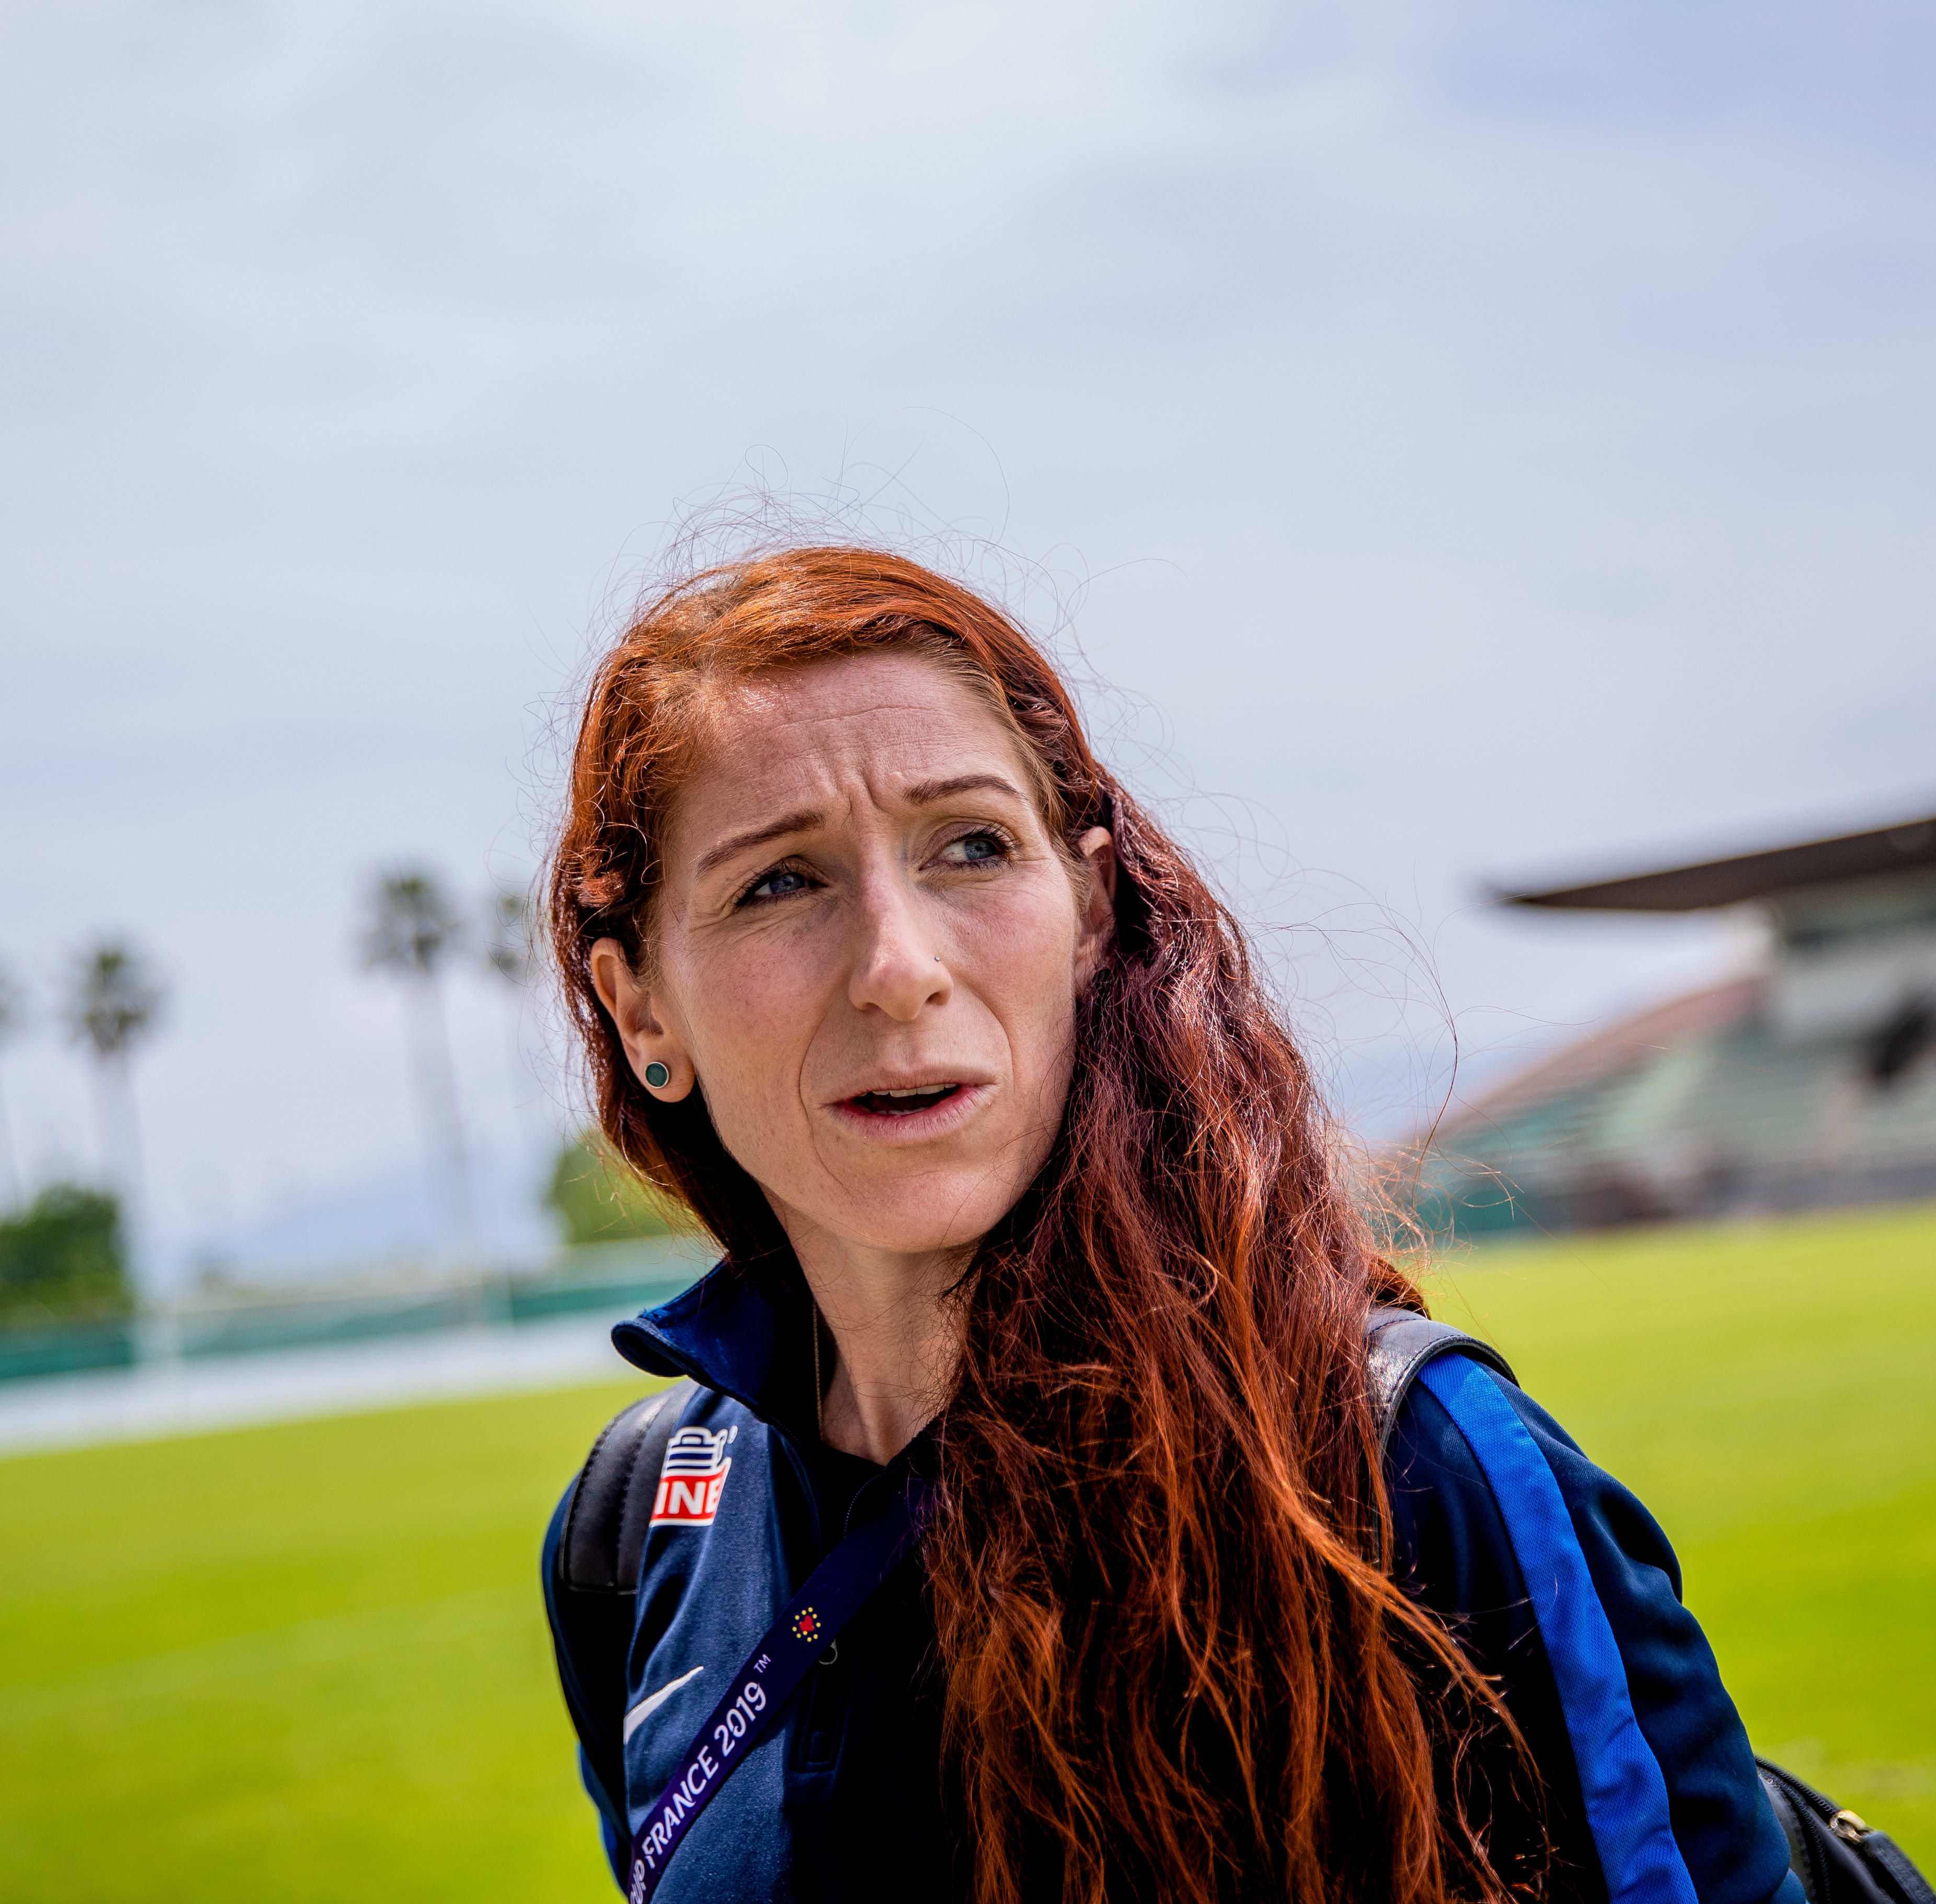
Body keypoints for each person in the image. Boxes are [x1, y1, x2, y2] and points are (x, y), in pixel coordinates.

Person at [539, 545, 1803, 1904]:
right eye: (779, 882)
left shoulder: (1401, 1462)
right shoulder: (634, 1533)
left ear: (1089, 909)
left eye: (971, 846)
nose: (900, 970)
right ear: (642, 1007)